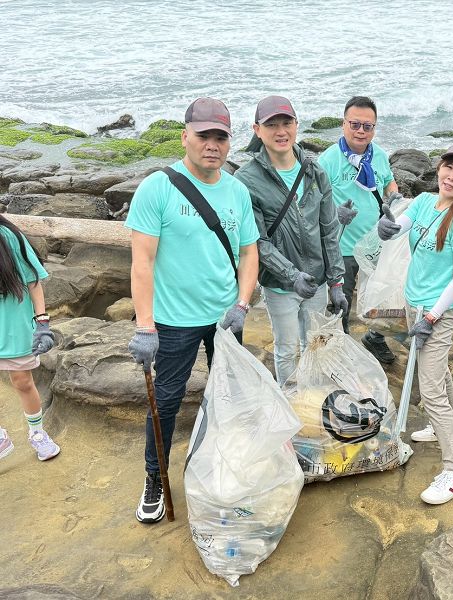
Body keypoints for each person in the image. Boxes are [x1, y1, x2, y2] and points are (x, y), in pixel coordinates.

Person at [126, 97, 260, 524]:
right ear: (186, 136)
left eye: (220, 137)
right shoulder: (157, 187)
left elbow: (248, 251)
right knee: (164, 403)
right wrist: (145, 326)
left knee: (229, 396)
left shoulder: (237, 190)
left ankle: (223, 466)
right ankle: (155, 478)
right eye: (203, 135)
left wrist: (242, 304)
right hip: (173, 322)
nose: (212, 145)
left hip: (225, 319)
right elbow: (141, 262)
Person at [377, 144, 453, 504]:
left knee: (430, 388)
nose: (451, 176)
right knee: (438, 374)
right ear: (439, 169)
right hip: (414, 303)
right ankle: (442, 429)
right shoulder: (423, 201)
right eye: (448, 168)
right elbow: (396, 229)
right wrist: (384, 225)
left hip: (439, 310)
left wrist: (433, 317)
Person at [235, 95, 346, 386]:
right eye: (272, 125)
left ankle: (315, 402)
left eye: (287, 123)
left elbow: (329, 230)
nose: (280, 131)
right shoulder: (247, 179)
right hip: (280, 285)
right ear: (257, 130)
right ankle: (290, 402)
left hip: (317, 282)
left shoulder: (314, 170)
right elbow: (256, 241)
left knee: (317, 345)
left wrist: (336, 282)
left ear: (297, 126)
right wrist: (290, 274)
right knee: (286, 348)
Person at [318, 96, 400, 364]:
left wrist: (393, 198)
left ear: (374, 128)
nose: (361, 131)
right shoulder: (328, 160)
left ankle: (374, 337)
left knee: (382, 297)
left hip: (376, 244)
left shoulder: (380, 156)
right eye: (355, 124)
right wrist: (333, 212)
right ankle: (337, 349)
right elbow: (311, 202)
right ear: (343, 124)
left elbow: (389, 182)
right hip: (342, 249)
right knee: (340, 303)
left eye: (368, 126)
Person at [0, 215, 58, 462]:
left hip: (12, 323)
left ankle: (37, 433)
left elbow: (33, 280)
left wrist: (42, 322)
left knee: (22, 380)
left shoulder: (8, 237)